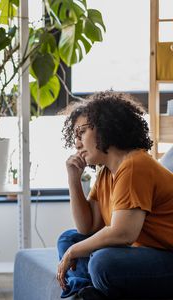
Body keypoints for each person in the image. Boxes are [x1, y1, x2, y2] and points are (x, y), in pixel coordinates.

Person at [56, 91, 173, 299]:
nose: (77, 143)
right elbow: (88, 227)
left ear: (104, 129)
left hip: (167, 256)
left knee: (103, 262)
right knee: (69, 238)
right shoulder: (106, 173)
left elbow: (123, 234)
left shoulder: (134, 165)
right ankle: (83, 293)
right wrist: (73, 179)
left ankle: (89, 293)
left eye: (81, 133)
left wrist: (73, 252)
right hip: (145, 253)